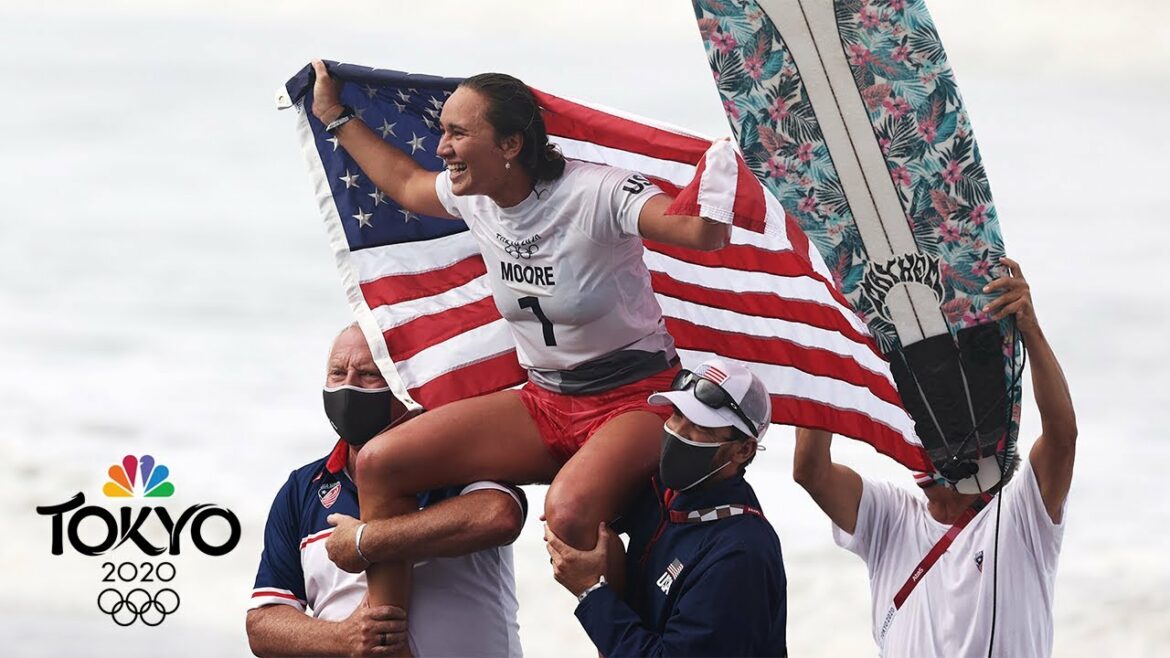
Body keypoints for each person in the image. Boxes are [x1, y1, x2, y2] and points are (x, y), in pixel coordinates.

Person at [308, 58, 734, 618]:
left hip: (636, 398)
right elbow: (407, 185)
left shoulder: (596, 193)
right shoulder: (475, 196)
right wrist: (335, 115)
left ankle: (638, 643)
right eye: (442, 131)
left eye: (458, 133)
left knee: (569, 514)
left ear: (509, 144)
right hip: (545, 401)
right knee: (382, 462)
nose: (441, 148)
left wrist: (731, 162)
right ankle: (383, 636)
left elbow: (701, 234)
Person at [792, 258, 1076, 657]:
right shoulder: (890, 518)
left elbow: (1062, 438)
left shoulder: (1019, 517)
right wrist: (828, 358)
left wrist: (1030, 330)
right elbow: (810, 470)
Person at [246, 324, 526, 657]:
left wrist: (366, 541)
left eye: (367, 374)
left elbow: (499, 516)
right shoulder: (303, 488)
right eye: (337, 373)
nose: (348, 385)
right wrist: (343, 638)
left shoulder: (456, 462)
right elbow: (262, 624)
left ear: (403, 383)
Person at [545, 358, 787, 657]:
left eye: (700, 427)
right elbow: (585, 506)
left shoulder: (739, 555)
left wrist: (591, 592)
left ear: (743, 449)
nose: (677, 432)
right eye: (676, 414)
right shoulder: (665, 490)